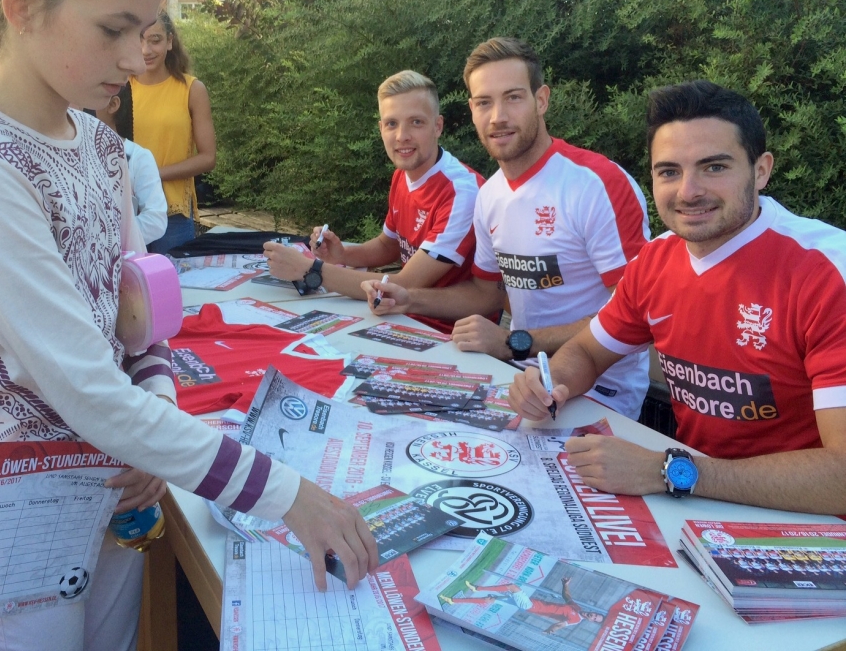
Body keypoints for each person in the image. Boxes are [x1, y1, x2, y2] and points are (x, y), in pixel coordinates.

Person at [0, 0, 376, 651]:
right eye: (112, 29)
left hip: (115, 485)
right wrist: (289, 496)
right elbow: (85, 386)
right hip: (12, 507)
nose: (134, 57)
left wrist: (152, 420)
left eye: (146, 31)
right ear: (22, 6)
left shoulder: (98, 144)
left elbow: (137, 315)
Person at [508, 80, 846, 515]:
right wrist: (551, 383)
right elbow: (589, 352)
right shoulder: (656, 260)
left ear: (761, 170)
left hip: (811, 526)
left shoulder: (827, 273)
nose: (688, 191)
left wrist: (669, 470)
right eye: (669, 171)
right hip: (697, 504)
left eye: (714, 167)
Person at [365, 38, 651, 419]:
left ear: (541, 100)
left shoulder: (598, 184)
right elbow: (486, 294)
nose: (497, 116)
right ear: (472, 110)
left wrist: (514, 341)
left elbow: (635, 315)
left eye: (513, 98)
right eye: (484, 102)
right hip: (517, 376)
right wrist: (408, 299)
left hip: (600, 392)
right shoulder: (490, 195)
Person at [264, 70, 484, 333]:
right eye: (391, 124)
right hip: (400, 315)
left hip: (451, 333)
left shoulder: (462, 191)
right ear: (381, 129)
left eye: (416, 122)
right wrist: (343, 254)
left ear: (438, 126)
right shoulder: (402, 175)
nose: (402, 136)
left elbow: (404, 284)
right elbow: (388, 245)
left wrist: (310, 270)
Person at [130, 11, 216, 253]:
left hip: (173, 214)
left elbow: (208, 157)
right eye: (139, 40)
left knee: (173, 276)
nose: (146, 50)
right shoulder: (118, 88)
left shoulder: (192, 89)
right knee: (127, 278)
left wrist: (151, 175)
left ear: (169, 41)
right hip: (127, 210)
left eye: (155, 40)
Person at [93, 83, 168, 245]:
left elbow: (156, 220)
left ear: (113, 104)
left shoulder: (138, 157)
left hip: (123, 256)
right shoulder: (69, 153)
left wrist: (107, 241)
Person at [442, 577, 604, 634]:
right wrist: (565, 584)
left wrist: (550, 630)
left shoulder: (576, 620)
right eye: (595, 614)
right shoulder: (577, 608)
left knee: (512, 587)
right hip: (530, 603)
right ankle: (453, 601)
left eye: (594, 619)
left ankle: (476, 588)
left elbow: (560, 625)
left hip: (530, 606)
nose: (593, 616)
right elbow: (567, 596)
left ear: (591, 621)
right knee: (490, 599)